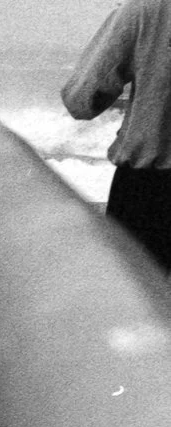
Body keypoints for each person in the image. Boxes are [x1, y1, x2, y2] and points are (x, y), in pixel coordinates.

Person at [65, 0, 171, 270]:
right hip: (150, 186)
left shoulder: (145, 11)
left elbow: (81, 100)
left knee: (135, 289)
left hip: (149, 191)